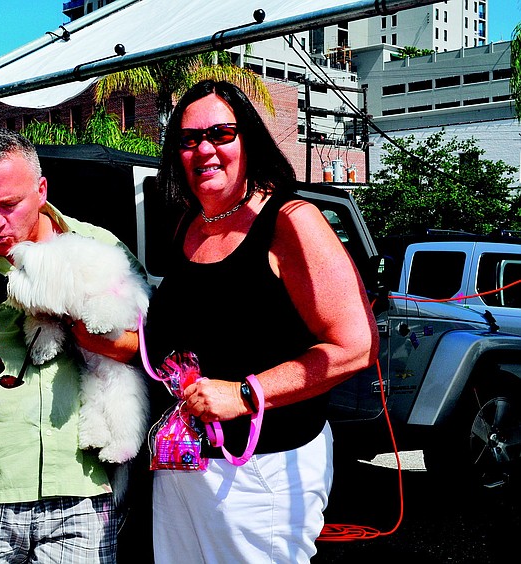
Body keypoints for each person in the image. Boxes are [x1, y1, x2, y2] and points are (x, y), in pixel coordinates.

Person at [142, 80, 379, 563]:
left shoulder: (292, 220)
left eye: (221, 133)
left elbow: (355, 347)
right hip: (183, 466)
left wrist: (244, 393)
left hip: (262, 471)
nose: (204, 148)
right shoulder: (189, 224)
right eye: (188, 139)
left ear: (249, 139)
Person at [0, 129, 145, 563]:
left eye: (9, 204)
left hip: (80, 482)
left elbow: (152, 346)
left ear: (41, 190)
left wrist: (97, 334)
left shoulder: (98, 247)